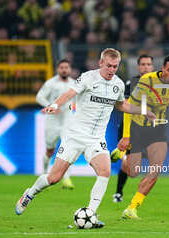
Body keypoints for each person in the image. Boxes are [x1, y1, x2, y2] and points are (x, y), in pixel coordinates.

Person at [15, 48, 156, 228]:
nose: (111, 69)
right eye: (108, 66)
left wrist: (143, 111)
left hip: (96, 139)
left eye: (115, 66)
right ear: (100, 63)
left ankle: (91, 214)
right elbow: (69, 94)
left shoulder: (118, 84)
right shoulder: (88, 77)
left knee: (104, 172)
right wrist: (55, 104)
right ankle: (30, 193)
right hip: (74, 135)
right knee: (54, 178)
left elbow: (122, 105)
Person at [120, 55, 169, 219]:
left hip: (157, 129)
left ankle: (132, 207)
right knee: (132, 171)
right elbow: (129, 106)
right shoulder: (146, 81)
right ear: (162, 68)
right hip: (138, 127)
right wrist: (126, 136)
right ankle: (121, 156)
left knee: (156, 169)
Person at [111, 54, 154, 203]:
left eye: (148, 64)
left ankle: (133, 197)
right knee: (130, 168)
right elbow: (127, 107)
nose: (146, 67)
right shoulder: (131, 83)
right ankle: (118, 192)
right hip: (129, 129)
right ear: (138, 67)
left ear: (152, 67)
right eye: (143, 64)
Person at [36, 59, 75, 189]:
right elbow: (39, 97)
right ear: (58, 69)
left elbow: (78, 101)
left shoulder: (74, 84)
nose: (64, 69)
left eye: (66, 67)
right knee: (50, 150)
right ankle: (44, 173)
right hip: (52, 121)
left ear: (69, 69)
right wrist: (50, 106)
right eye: (62, 67)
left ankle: (66, 178)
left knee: (68, 149)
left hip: (67, 121)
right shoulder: (51, 83)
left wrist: (75, 110)